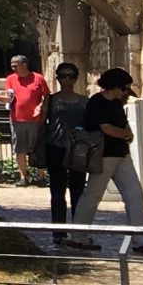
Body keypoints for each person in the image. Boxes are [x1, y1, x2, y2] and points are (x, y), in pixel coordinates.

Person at [75, 66, 143, 250]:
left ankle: (142, 240)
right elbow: (107, 128)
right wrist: (125, 134)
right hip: (104, 155)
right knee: (92, 195)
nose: (126, 92)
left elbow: (123, 126)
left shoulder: (117, 103)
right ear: (114, 86)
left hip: (121, 154)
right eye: (124, 88)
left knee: (135, 195)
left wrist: (127, 134)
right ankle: (78, 236)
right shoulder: (97, 102)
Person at [37, 62, 95, 229]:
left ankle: (78, 230)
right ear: (58, 78)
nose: (67, 79)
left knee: (78, 191)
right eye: (63, 76)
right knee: (57, 191)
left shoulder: (85, 101)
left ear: (76, 78)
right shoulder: (51, 99)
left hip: (78, 150)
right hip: (56, 147)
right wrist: (35, 147)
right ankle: (59, 231)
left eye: (70, 76)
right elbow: (41, 124)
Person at [4, 54, 50, 187]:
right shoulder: (10, 79)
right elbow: (8, 96)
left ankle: (41, 176)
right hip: (17, 119)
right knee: (20, 149)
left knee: (38, 148)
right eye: (11, 65)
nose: (13, 67)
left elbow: (46, 96)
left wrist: (41, 108)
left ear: (24, 64)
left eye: (15, 65)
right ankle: (23, 177)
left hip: (35, 121)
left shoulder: (38, 78)